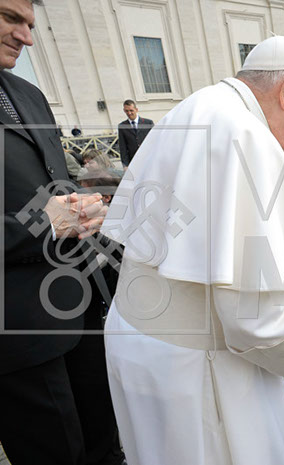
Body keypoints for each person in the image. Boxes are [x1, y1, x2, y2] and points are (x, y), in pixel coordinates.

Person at [102, 36, 284, 465]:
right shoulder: (247, 135)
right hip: (195, 368)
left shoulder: (192, 107)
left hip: (137, 341)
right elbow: (256, 322)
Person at [0, 1, 119, 464]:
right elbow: (41, 216)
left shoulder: (26, 93)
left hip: (79, 305)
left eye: (30, 24)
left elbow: (54, 178)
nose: (26, 37)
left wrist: (79, 205)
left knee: (105, 442)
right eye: (10, 18)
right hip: (18, 334)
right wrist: (46, 223)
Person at [116, 99, 153, 168]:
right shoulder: (122, 126)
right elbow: (123, 147)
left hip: (149, 159)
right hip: (133, 162)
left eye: (131, 110)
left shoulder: (148, 123)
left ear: (136, 110)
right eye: (126, 111)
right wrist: (125, 165)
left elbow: (154, 141)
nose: (129, 113)